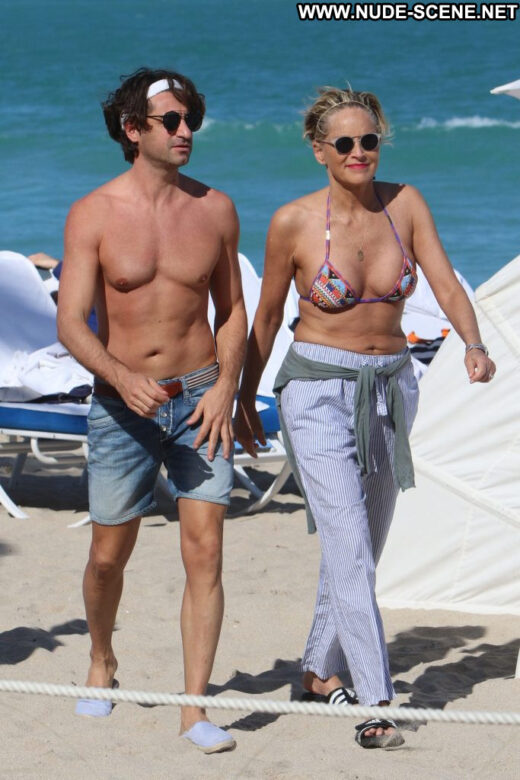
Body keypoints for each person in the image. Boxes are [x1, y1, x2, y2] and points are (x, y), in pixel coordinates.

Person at [234, 85, 495, 749]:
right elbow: (266, 318)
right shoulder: (293, 222)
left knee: (364, 547)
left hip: (391, 387)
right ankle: (376, 703)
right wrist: (242, 398)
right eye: (345, 143)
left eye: (369, 140)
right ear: (319, 150)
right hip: (316, 391)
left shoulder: (406, 204)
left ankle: (317, 670)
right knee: (348, 547)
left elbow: (444, 281)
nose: (359, 152)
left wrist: (472, 343)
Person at [57, 67, 247, 754]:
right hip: (121, 405)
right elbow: (71, 322)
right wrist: (118, 374)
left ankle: (194, 708)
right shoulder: (94, 213)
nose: (185, 130)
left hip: (200, 399)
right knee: (108, 556)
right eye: (171, 120)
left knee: (206, 550)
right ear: (132, 129)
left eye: (190, 118)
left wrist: (227, 387)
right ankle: (101, 658)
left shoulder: (216, 209)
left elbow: (232, 311)